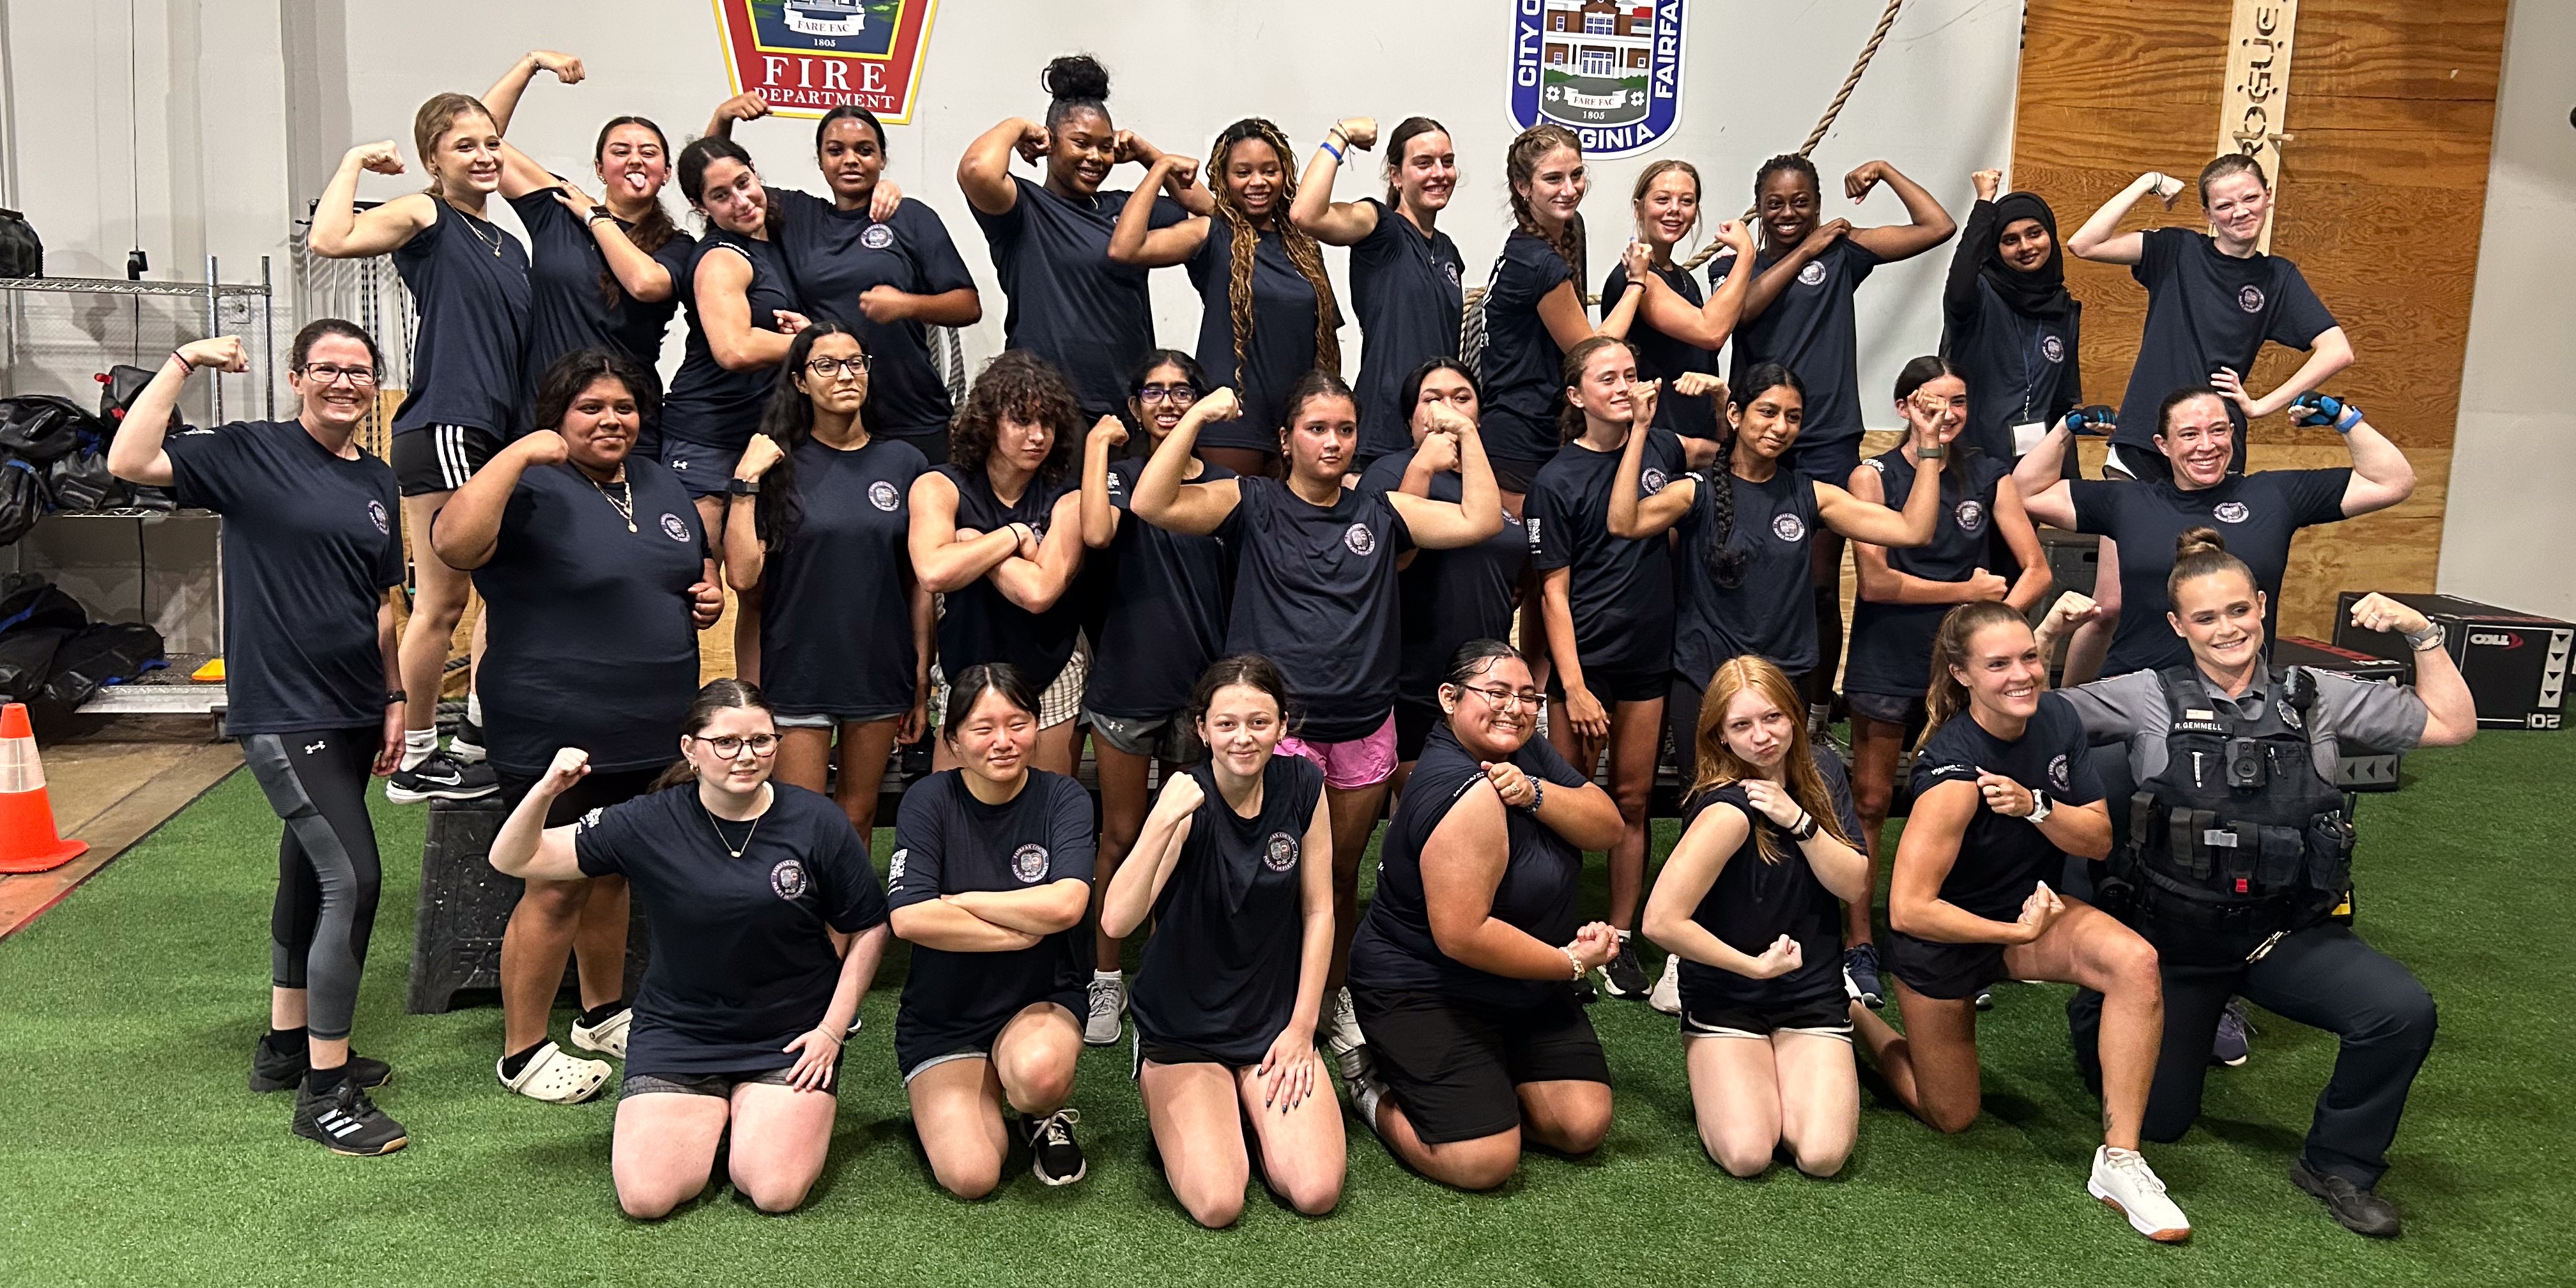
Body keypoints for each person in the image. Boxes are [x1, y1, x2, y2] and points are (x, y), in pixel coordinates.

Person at [2047, 539, 2474, 1238]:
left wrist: (2419, 632)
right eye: (2207, 617)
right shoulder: (2147, 695)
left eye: (2239, 610)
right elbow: (2024, 714)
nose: (2228, 629)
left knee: (2401, 1011)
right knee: (2162, 1122)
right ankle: (2103, 1010)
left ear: (2263, 607)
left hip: (2283, 934)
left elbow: (2453, 724)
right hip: (2176, 946)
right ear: (2179, 625)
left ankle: (2340, 1161)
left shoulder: (2318, 697)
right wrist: (2054, 633)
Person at [1129, 371, 1505, 1080]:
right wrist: (1203, 415)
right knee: (1234, 874)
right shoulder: (1253, 500)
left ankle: (1326, 1000)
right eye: (1316, 428)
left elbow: (1480, 521)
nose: (1332, 442)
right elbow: (1152, 501)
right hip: (1275, 735)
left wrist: (1466, 433)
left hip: (1363, 728)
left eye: (1345, 430)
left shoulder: (1382, 510)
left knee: (1332, 879)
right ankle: (1204, 1002)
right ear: (1285, 438)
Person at [108, 323, 409, 1154]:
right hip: (284, 709)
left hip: (353, 708)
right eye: (328, 369)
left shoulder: (376, 478)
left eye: (359, 371)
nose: (344, 382)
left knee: (310, 871)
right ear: (295, 378)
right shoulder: (250, 453)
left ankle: (285, 1047)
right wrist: (184, 362)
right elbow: (129, 462)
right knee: (356, 878)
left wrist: (395, 697)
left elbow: (384, 604)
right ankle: (324, 1092)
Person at [431, 348, 724, 1105]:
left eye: (623, 406)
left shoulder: (659, 482)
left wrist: (704, 597)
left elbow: (683, 569)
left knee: (615, 868)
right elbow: (452, 544)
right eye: (591, 408)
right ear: (557, 417)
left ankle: (602, 1013)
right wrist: (519, 453)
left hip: (650, 727)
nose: (611, 420)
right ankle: (523, 1052)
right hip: (552, 729)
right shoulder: (529, 482)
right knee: (556, 885)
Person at [486, 680, 891, 1218]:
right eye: (727, 742)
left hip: (790, 1033)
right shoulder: (648, 821)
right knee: (647, 1198)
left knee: (774, 1191)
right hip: (681, 1031)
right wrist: (546, 791)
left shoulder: (817, 821)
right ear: (691, 749)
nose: (747, 756)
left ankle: (747, 1118)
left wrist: (831, 1031)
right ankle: (721, 1116)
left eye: (762, 741)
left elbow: (869, 926)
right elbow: (515, 859)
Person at [1851, 601, 2189, 1243]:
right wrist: (2013, 934)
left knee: (2135, 962)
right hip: (1944, 940)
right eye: (1998, 664)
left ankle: (2121, 1160)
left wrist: (2035, 807)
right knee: (1951, 1115)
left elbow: (2093, 839)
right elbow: (1908, 909)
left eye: (2029, 657)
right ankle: (1855, 1015)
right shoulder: (1952, 773)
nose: (2022, 675)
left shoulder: (2057, 716)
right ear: (1962, 675)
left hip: (2027, 915)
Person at [309, 92, 531, 804]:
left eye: (491, 143)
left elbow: (485, 121)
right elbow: (331, 240)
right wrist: (351, 162)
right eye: (464, 146)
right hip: (449, 424)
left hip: (491, 431)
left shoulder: (505, 240)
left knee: (478, 597)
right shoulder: (427, 215)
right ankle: (421, 755)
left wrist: (527, 66)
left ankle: (466, 741)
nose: (485, 154)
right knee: (458, 599)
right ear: (434, 158)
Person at [1340, 640, 1624, 1190]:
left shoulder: (1522, 751)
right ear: (1450, 698)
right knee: (1485, 1161)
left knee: (1581, 1124)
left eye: (1527, 696)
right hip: (1425, 988)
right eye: (1495, 693)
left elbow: (1607, 827)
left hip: (1518, 988)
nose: (1514, 708)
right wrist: (1567, 963)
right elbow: (1463, 937)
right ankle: (1369, 1088)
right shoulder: (1463, 790)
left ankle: (1480, 1080)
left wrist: (1536, 793)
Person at [1604, 364, 1943, 797]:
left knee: (1779, 809)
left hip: (1785, 677)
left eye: (1793, 417)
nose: (1781, 427)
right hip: (1705, 676)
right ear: (1735, 415)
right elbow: (1624, 521)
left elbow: (1913, 531)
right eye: (1767, 412)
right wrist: (1639, 431)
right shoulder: (1697, 490)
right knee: (1709, 809)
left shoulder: (1810, 494)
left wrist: (1928, 445)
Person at [1101, 656, 1342, 1225]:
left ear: (1283, 726)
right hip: (1184, 1030)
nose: (1244, 737)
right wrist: (1161, 819)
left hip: (1270, 1023)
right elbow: (1116, 921)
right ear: (1202, 729)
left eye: (1259, 722)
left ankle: (1251, 1110)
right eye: (1227, 723)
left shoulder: (1304, 784)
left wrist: (1303, 1028)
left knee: (1315, 1191)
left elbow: (1320, 909)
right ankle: (1205, 1103)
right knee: (1217, 1203)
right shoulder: (1187, 802)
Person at [1841, 356, 2051, 1007]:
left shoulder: (1990, 474)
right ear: (1905, 407)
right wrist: (1966, 593)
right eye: (1934, 403)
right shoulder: (1872, 476)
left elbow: (2037, 570)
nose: (1948, 414)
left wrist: (1991, 634)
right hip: (1887, 658)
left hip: (1962, 673)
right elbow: (1877, 581)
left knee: (1959, 802)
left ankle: (1949, 940)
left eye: (1958, 402)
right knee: (1872, 801)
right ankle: (1857, 945)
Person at [1714, 154, 1954, 717]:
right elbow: (1742, 314)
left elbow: (1937, 227)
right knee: (1746, 577)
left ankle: (1817, 710)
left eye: (1801, 202)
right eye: (1775, 203)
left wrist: (1888, 171)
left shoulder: (1843, 256)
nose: (1788, 212)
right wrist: (1805, 250)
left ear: (1819, 204)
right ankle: (1737, 704)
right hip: (1754, 440)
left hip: (1826, 441)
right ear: (1759, 208)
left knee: (1819, 584)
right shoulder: (1737, 264)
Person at [1642, 657, 1871, 1178]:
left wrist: (1798, 819)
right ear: (1720, 737)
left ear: (1794, 716)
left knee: (1821, 1156)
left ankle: (1857, 1024)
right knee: (1748, 1154)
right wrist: (1752, 967)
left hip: (1809, 993)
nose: (1762, 737)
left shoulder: (1823, 773)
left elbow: (1853, 883)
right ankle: (1720, 1049)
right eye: (1741, 726)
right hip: (1730, 996)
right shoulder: (1725, 809)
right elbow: (1660, 923)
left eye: (1772, 718)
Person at [2013, 385, 2412, 681]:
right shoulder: (2129, 501)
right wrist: (2067, 429)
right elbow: (2026, 493)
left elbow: (2392, 482)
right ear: (2163, 445)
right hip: (2137, 684)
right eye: (2189, 434)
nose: (2207, 445)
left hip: (2238, 691)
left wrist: (2345, 419)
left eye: (2218, 431)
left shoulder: (2275, 494)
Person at [888, 664, 1098, 1195]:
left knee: (1038, 1075)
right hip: (944, 1013)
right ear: (953, 740)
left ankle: (1041, 1113)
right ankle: (971, 1087)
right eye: (983, 729)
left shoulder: (1064, 798)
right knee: (972, 1176)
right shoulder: (928, 800)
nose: (1003, 742)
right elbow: (910, 917)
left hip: (1040, 998)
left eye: (1017, 723)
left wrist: (967, 901)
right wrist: (1021, 929)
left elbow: (1069, 904)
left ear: (1036, 725)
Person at [1076, 350, 1234, 1046]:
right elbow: (1097, 534)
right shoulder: (1116, 479)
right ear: (1136, 405)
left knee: (1180, 838)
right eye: (1154, 391)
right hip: (1126, 687)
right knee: (1119, 835)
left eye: (1183, 390)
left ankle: (1167, 976)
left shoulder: (1228, 487)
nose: (1169, 401)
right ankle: (1106, 977)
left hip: (1197, 695)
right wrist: (1094, 448)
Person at [723, 323, 933, 847]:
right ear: (799, 382)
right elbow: (744, 578)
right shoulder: (775, 465)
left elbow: (919, 584)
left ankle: (845, 932)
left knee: (858, 816)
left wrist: (921, 677)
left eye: (856, 362)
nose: (846, 375)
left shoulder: (904, 464)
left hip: (877, 669)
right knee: (800, 822)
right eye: (827, 365)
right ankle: (801, 930)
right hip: (798, 670)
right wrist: (747, 481)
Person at [1526, 337, 1689, 1000]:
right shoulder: (1555, 480)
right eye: (1607, 378)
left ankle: (1619, 937)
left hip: (1650, 660)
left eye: (1631, 373)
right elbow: (1553, 594)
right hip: (1585, 666)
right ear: (1576, 396)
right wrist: (1573, 686)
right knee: (1565, 805)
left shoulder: (1665, 450)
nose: (1624, 386)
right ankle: (1560, 938)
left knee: (1633, 799)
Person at [710, 94, 982, 464]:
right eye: (836, 150)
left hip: (910, 411)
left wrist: (906, 305)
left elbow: (968, 305)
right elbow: (717, 181)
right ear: (820, 161)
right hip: (828, 419)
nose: (850, 160)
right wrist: (723, 118)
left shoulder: (911, 217)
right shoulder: (798, 216)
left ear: (882, 159)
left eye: (865, 150)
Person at [2067, 156, 2352, 479]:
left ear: (2268, 196)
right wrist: (2149, 181)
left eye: (2251, 198)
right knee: (2123, 529)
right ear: (2209, 215)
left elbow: (2337, 351)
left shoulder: (2278, 277)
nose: (2240, 212)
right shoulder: (2177, 249)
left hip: (2213, 448)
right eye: (2225, 205)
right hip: (2144, 435)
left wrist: (2260, 406)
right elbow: (2084, 244)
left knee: (2204, 533)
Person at [477, 51, 698, 459]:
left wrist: (594, 217)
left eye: (649, 152)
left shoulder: (679, 245)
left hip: (627, 428)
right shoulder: (560, 210)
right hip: (545, 421)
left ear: (666, 173)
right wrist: (531, 64)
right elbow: (478, 139)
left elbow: (647, 284)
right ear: (599, 167)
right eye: (620, 150)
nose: (635, 159)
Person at [956, 54, 1194, 420]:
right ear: (1050, 142)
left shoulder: (1127, 209)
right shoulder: (1023, 209)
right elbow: (976, 170)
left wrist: (1152, 157)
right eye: (1081, 143)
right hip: (1045, 408)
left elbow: (1212, 214)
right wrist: (1019, 126)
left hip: (1127, 405)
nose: (1095, 157)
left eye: (1105, 146)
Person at [1112, 118, 1340, 479]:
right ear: (1224, 178)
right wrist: (1158, 168)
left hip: (1298, 420)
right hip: (1234, 421)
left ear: (1285, 174)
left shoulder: (1304, 247)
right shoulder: (1215, 235)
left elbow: (1324, 338)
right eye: (1243, 172)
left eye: (1269, 171)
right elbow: (1126, 248)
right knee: (1233, 525)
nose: (1257, 182)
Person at [907, 351, 1089, 778]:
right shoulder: (939, 485)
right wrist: (1013, 537)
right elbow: (933, 571)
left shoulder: (1069, 497)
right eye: (1022, 421)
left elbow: (1039, 593)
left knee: (1045, 817)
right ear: (989, 423)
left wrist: (972, 543)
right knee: (955, 816)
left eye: (1048, 424)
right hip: (967, 668)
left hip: (1050, 670)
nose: (1038, 436)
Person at [1356, 360, 1527, 793]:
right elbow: (1396, 556)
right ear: (1412, 418)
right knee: (1427, 801)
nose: (1448, 409)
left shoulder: (1491, 482)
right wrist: (1424, 467)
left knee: (1483, 798)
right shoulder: (1389, 471)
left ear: (1479, 415)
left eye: (1462, 398)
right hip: (1416, 674)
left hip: (1485, 676)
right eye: (1433, 399)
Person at [1471, 123, 1649, 509]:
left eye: (1577, 175)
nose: (1570, 189)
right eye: (1553, 178)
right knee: (1532, 557)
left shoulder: (1556, 234)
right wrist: (1637, 283)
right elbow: (1592, 352)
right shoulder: (1536, 261)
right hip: (1521, 432)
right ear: (1523, 186)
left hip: (1541, 419)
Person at [659, 136, 809, 581]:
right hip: (706, 437)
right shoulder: (721, 257)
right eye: (721, 196)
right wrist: (820, 345)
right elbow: (734, 348)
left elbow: (709, 153)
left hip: (765, 439)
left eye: (745, 183)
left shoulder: (777, 238)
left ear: (755, 171)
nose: (742, 201)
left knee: (760, 590)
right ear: (699, 205)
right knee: (693, 586)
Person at [1291, 116, 1466, 475]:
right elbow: (1306, 214)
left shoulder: (1448, 252)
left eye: (1446, 162)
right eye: (1423, 163)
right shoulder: (1381, 227)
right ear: (1397, 176)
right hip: (1384, 429)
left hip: (1437, 428)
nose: (1439, 173)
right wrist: (1340, 136)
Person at [1603, 160, 1756, 444]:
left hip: (1697, 438)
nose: (1674, 209)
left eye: (1686, 201)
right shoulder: (1635, 278)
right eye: (1662, 199)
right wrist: (1746, 253)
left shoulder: (1685, 279)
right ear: (1639, 208)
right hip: (1655, 442)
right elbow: (1711, 332)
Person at [1940, 169, 2081, 464]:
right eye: (2010, 240)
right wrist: (1984, 204)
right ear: (1996, 248)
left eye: (2035, 233)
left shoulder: (2064, 308)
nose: (2026, 247)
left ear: (2050, 236)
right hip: (1973, 463)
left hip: (2036, 467)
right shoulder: (1979, 296)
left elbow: (2061, 404)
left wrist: (2070, 479)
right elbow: (1960, 280)